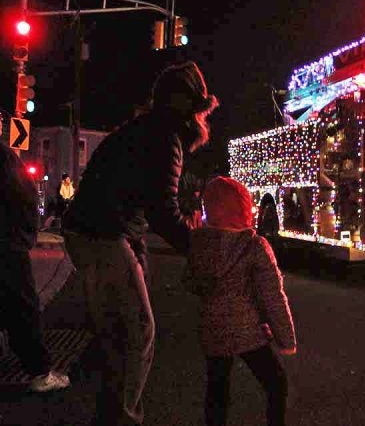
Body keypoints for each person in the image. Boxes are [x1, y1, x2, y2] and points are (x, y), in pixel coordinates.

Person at [62, 61, 219, 426]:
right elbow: (162, 211)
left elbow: (138, 199)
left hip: (98, 232)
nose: (201, 118)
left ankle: (111, 413)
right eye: (199, 108)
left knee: (119, 334)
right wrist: (200, 252)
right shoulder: (166, 137)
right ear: (188, 105)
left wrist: (139, 250)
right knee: (139, 331)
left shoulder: (149, 130)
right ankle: (123, 418)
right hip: (101, 234)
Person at [183, 176, 296, 426]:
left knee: (217, 388)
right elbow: (272, 297)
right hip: (248, 332)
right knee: (276, 383)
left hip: (213, 332)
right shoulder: (254, 245)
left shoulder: (198, 243)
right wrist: (286, 340)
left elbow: (190, 283)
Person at [0, 141, 71, 392]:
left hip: (9, 237)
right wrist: (25, 236)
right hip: (8, 241)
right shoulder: (5, 159)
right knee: (22, 306)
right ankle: (40, 371)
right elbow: (22, 195)